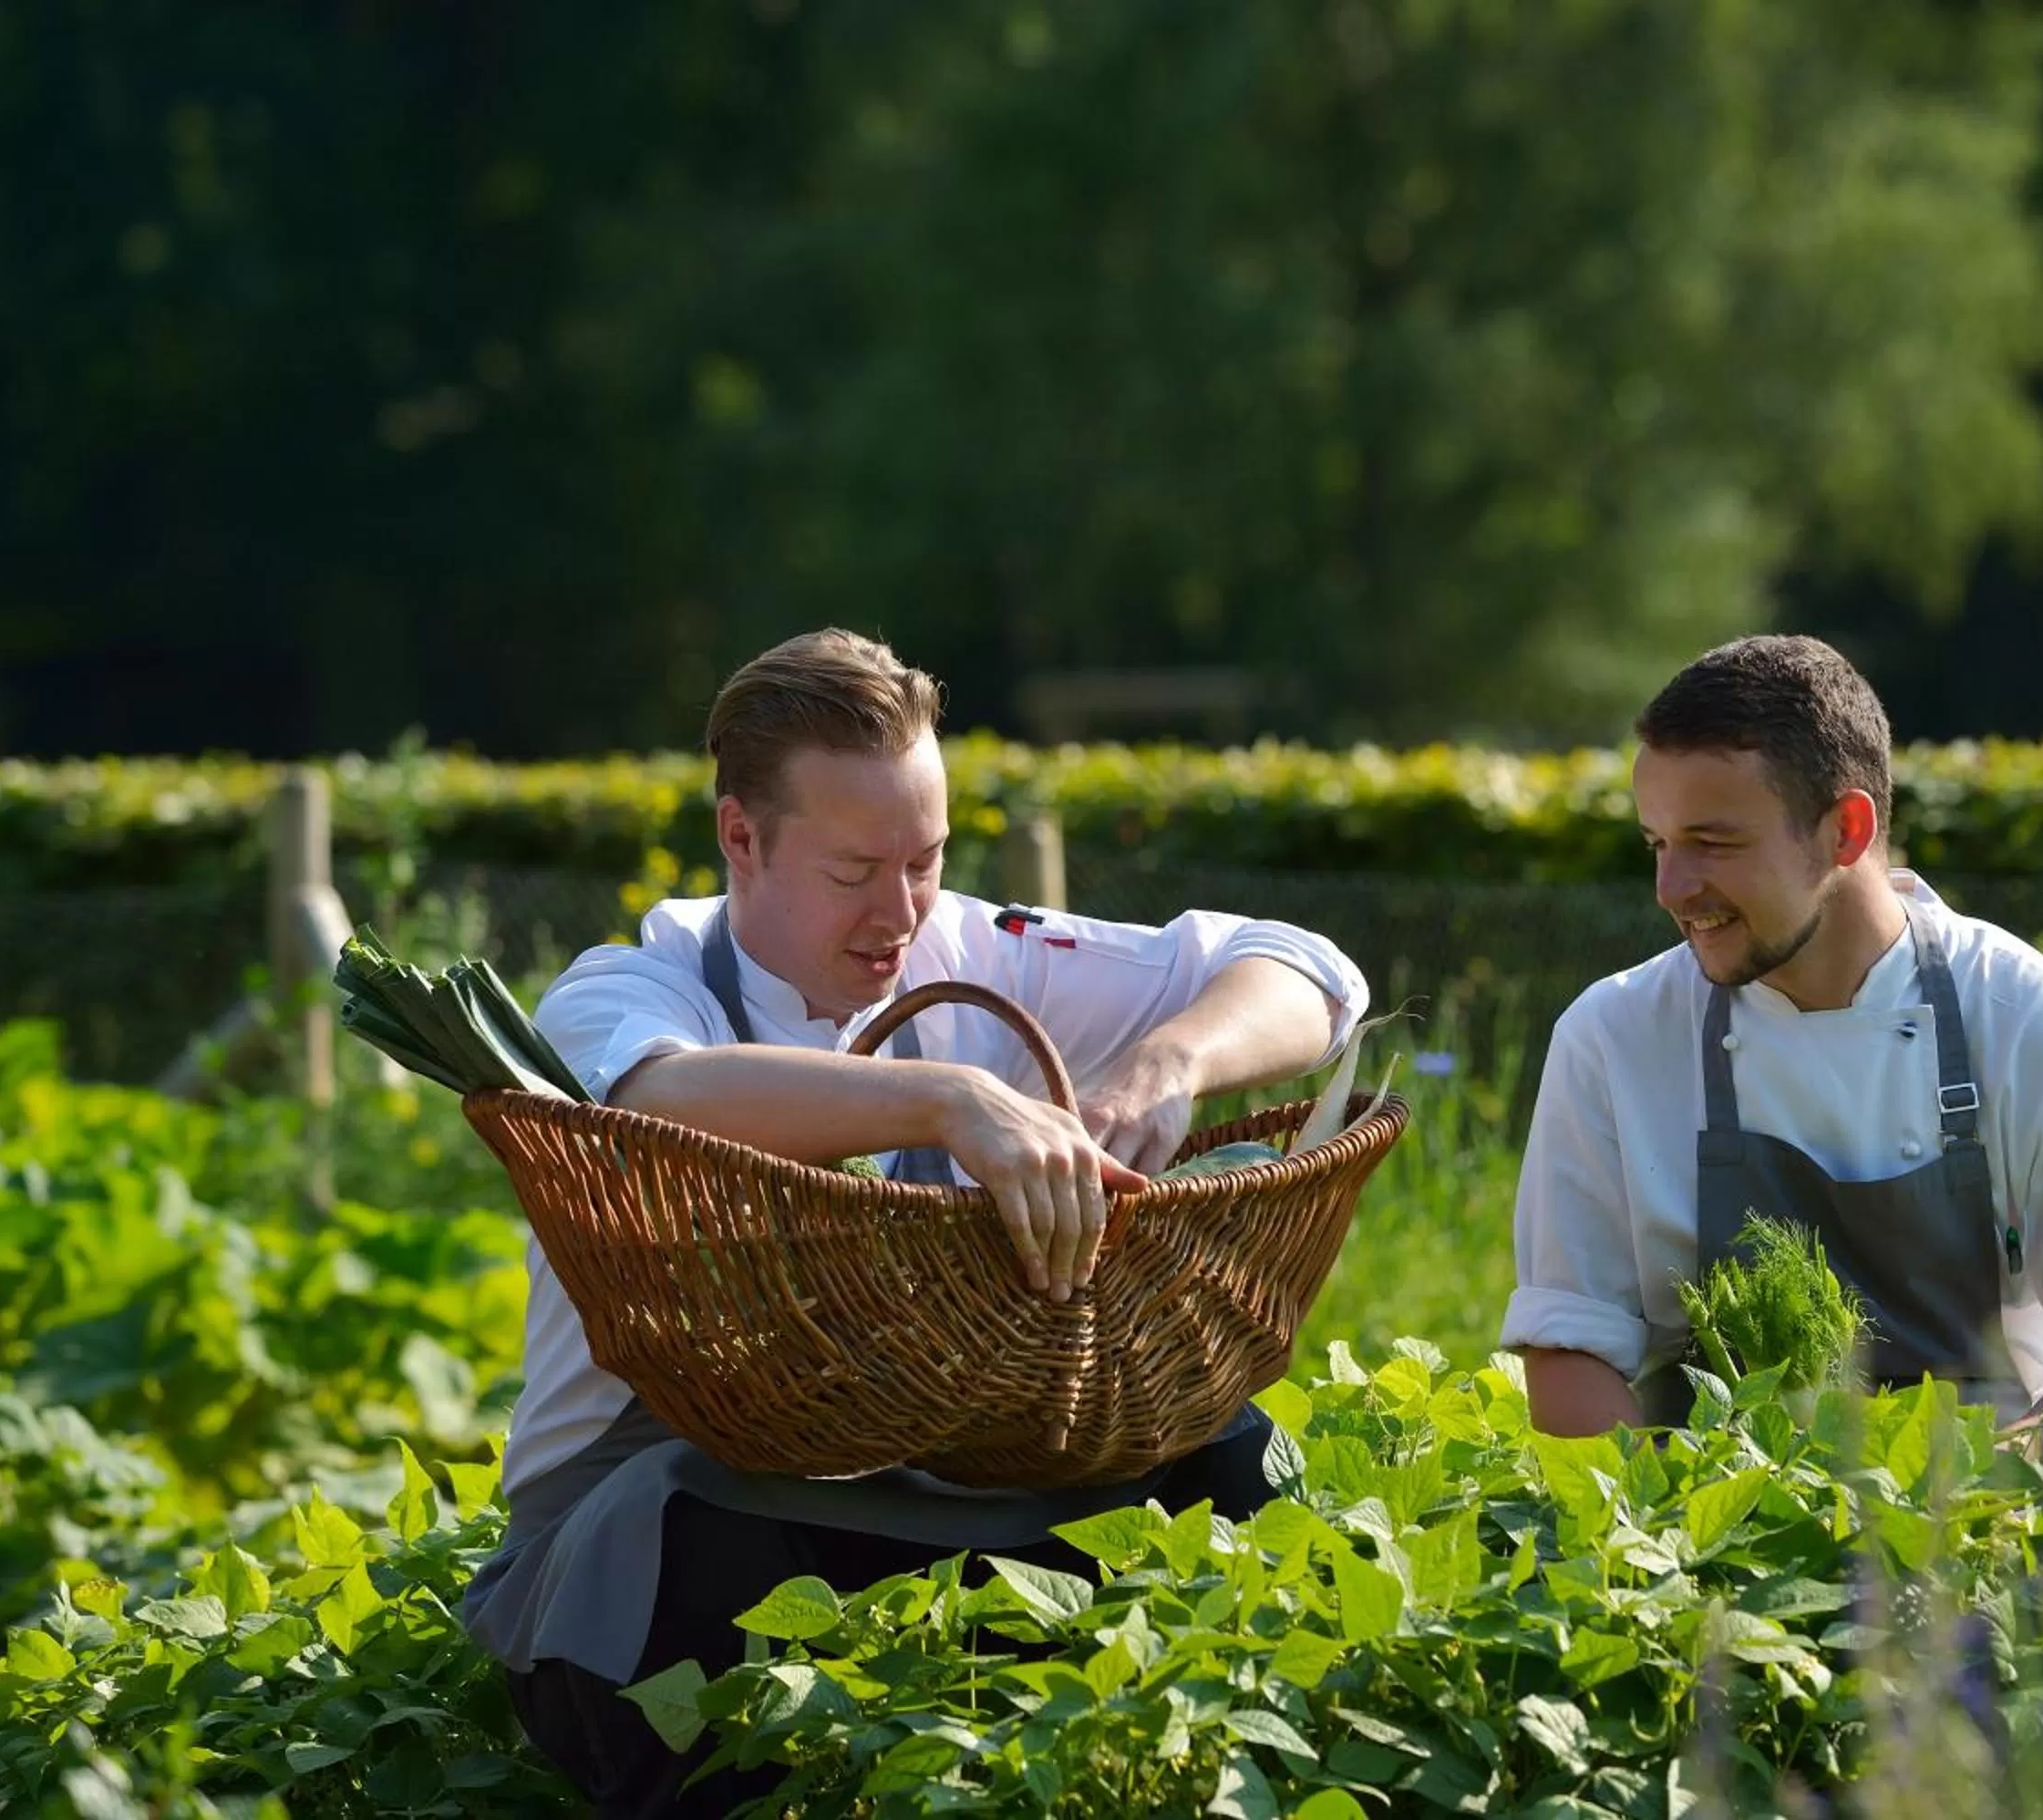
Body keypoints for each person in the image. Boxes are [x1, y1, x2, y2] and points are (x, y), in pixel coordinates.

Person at [464, 628, 1370, 1815]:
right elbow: (651, 1102)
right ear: (741, 836)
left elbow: (1308, 971)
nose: (899, 914)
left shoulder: (977, 953)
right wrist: (948, 1102)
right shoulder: (627, 989)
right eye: (855, 872)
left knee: (1234, 1460)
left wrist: (1165, 1065)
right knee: (692, 1533)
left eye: (927, 860)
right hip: (660, 1509)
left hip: (946, 1473)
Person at [1500, 635, 2043, 1440]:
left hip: (1993, 1513)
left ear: (1845, 830)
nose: (1672, 889)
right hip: (1699, 1511)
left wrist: (1964, 1512)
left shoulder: (2035, 1027)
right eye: (1658, 845)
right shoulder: (1612, 1037)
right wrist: (1671, 1524)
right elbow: (1569, 1350)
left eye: (1714, 843)